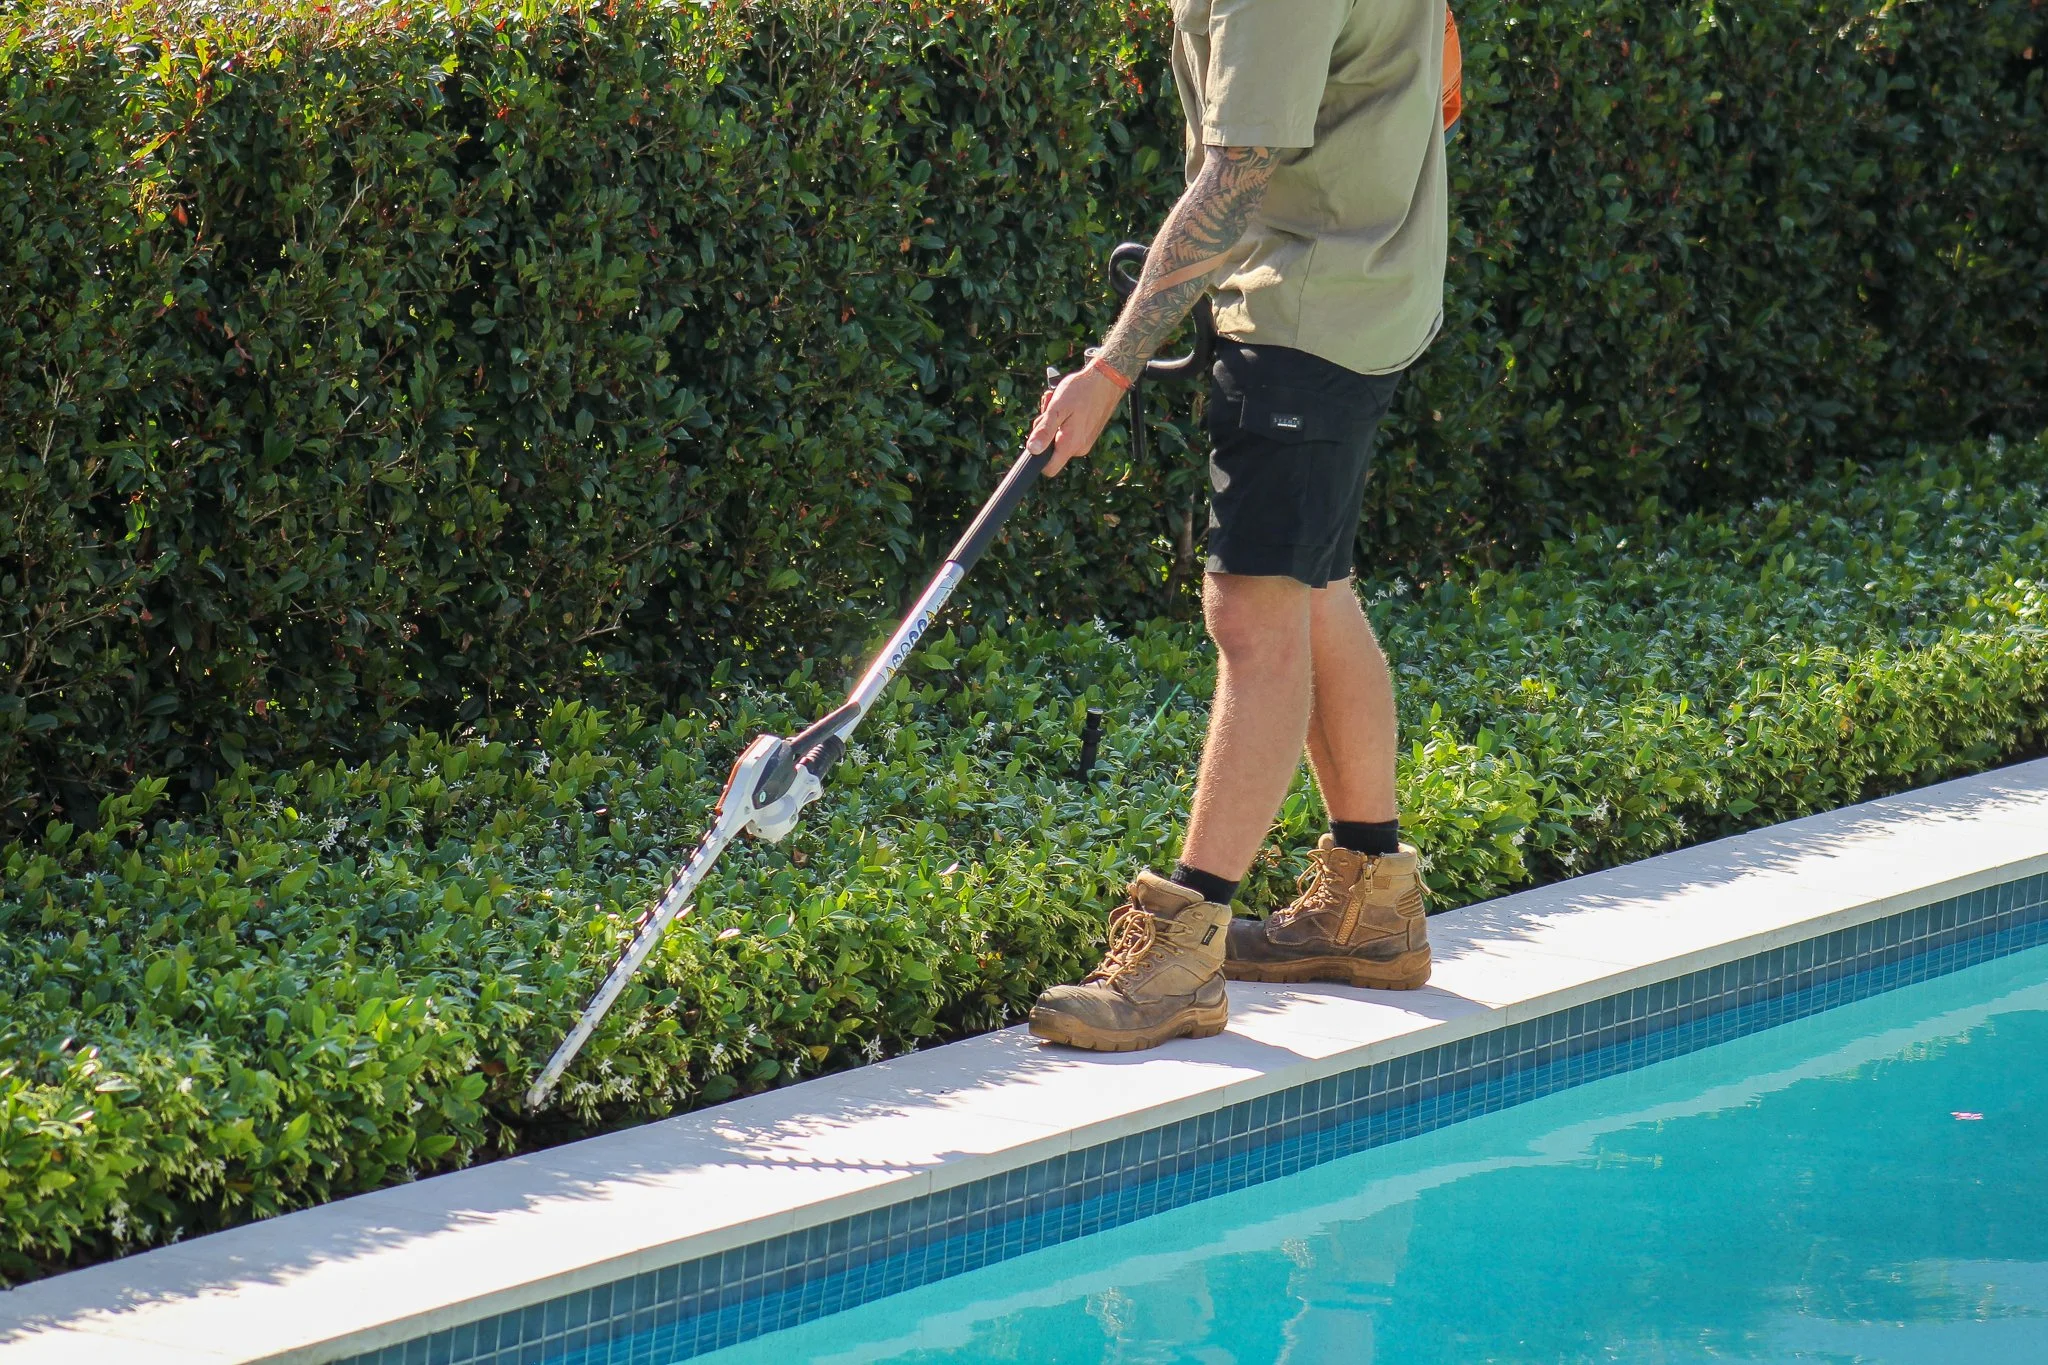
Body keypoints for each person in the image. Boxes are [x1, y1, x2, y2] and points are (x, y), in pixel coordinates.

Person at [1023, 0, 1453, 1052]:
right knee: (1311, 590)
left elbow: (1234, 176)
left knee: (1252, 619)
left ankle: (1177, 958)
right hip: (1365, 287)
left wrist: (1110, 369)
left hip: (1308, 309)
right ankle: (1369, 907)